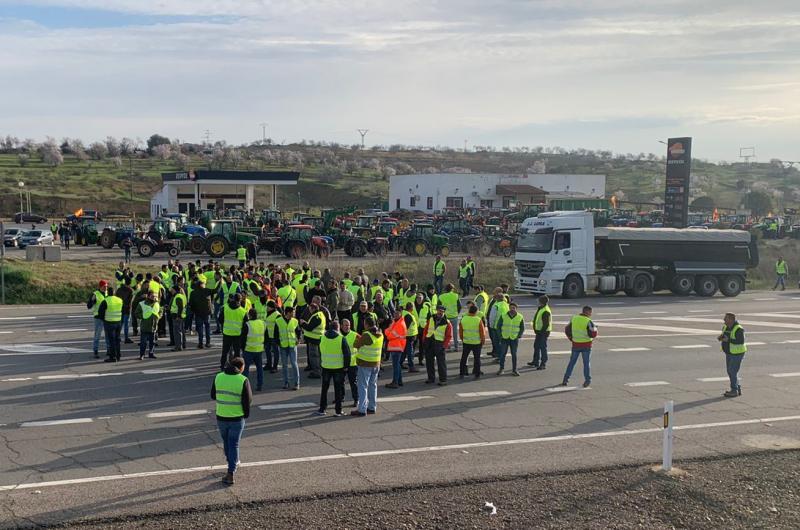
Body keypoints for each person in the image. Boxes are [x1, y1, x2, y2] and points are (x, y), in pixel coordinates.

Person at [211, 357, 252, 486]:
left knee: (227, 442)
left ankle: (231, 462)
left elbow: (213, 395)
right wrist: (246, 414)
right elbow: (248, 400)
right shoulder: (243, 379)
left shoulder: (218, 377)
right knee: (234, 443)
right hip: (237, 417)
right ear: (241, 367)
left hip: (221, 416)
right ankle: (231, 471)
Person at [316, 321, 352, 417]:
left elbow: (320, 351)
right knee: (338, 389)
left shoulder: (322, 337)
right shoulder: (341, 338)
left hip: (326, 366)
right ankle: (338, 410)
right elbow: (347, 354)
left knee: (324, 389)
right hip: (338, 367)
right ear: (338, 328)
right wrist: (346, 366)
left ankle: (322, 409)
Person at [352, 317, 383, 416]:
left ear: (367, 324)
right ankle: (372, 407)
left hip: (365, 363)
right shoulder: (380, 334)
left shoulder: (366, 335)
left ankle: (362, 409)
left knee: (362, 386)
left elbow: (356, 345)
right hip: (376, 363)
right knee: (373, 386)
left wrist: (358, 338)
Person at [562, 306, 598, 388]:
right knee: (586, 363)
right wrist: (596, 329)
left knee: (572, 363)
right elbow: (593, 334)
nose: (591, 314)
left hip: (575, 344)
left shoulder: (574, 318)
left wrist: (571, 338)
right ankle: (587, 380)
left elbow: (567, 329)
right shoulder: (589, 321)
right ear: (588, 312)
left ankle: (565, 379)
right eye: (591, 312)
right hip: (586, 345)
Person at [718, 312, 746, 398]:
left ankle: (734, 390)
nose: (724, 320)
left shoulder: (738, 329)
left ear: (731, 320)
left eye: (725, 318)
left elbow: (740, 341)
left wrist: (728, 340)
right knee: (730, 371)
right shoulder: (725, 327)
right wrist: (721, 338)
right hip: (729, 353)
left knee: (732, 371)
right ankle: (737, 388)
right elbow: (725, 337)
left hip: (737, 353)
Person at [422, 305, 452, 386]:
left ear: (444, 312)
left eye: (441, 311)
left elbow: (448, 336)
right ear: (436, 310)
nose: (439, 312)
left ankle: (443, 380)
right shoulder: (431, 318)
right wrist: (424, 340)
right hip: (429, 341)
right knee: (429, 362)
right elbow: (426, 329)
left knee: (441, 363)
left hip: (439, 343)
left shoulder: (447, 322)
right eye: (438, 310)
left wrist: (444, 346)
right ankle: (431, 378)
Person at [219, 293, 248, 371]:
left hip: (227, 333)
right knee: (237, 353)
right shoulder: (243, 311)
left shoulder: (225, 308)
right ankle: (237, 368)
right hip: (237, 335)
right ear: (240, 300)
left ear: (233, 299)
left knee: (225, 352)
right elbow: (246, 325)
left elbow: (220, 320)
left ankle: (222, 366)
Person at [276, 306, 301, 390]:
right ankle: (286, 382)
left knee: (294, 364)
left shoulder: (295, 321)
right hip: (283, 346)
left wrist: (298, 339)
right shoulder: (278, 321)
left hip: (292, 345)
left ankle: (297, 383)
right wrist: (278, 343)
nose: (293, 314)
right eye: (292, 313)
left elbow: (298, 331)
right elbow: (276, 334)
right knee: (284, 365)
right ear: (287, 313)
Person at [241, 308, 265, 392]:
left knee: (246, 369)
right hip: (259, 349)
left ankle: (245, 387)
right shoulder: (262, 323)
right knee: (259, 368)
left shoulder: (247, 324)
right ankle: (260, 385)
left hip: (249, 349)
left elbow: (243, 338)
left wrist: (243, 348)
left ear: (249, 315)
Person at [300, 302, 326, 379]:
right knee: (318, 356)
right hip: (317, 338)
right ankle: (319, 370)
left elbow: (309, 327)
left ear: (313, 308)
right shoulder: (319, 315)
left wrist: (303, 323)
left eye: (310, 309)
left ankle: (317, 372)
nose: (309, 311)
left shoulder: (316, 316)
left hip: (314, 339)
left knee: (314, 357)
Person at [497, 302, 524, 376]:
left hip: (514, 339)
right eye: (511, 308)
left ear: (516, 309)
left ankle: (514, 370)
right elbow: (498, 326)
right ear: (509, 308)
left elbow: (522, 328)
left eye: (514, 308)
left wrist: (519, 335)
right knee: (502, 354)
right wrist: (500, 336)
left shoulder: (520, 317)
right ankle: (501, 369)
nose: (512, 309)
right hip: (504, 338)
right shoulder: (503, 316)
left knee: (514, 354)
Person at [97, 287, 124, 362]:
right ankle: (118, 355)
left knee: (111, 340)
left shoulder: (106, 301)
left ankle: (112, 357)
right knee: (117, 339)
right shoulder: (119, 300)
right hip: (118, 322)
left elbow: (100, 312)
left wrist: (103, 319)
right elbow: (123, 309)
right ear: (114, 292)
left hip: (109, 322)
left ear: (108, 293)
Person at [459, 304, 486, 378]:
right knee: (477, 359)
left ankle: (462, 373)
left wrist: (463, 339)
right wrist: (483, 341)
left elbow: (460, 332)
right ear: (476, 312)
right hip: (476, 343)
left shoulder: (463, 319)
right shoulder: (478, 320)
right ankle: (477, 374)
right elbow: (482, 332)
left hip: (466, 342)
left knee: (464, 358)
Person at [384, 310, 407, 389]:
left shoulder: (400, 324)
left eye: (397, 313)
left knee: (396, 365)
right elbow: (388, 331)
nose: (395, 314)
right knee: (397, 365)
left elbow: (389, 335)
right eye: (395, 313)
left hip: (397, 347)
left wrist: (388, 332)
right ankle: (399, 381)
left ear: (401, 314)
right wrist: (388, 332)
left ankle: (395, 382)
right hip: (395, 346)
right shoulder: (395, 322)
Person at [528, 295, 552, 370]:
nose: (538, 302)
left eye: (539, 301)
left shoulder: (545, 311)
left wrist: (541, 332)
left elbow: (546, 324)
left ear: (541, 302)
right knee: (536, 346)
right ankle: (535, 361)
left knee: (542, 347)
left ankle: (543, 363)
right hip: (539, 332)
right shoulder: (541, 308)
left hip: (543, 332)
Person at [189, 278, 213, 349]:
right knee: (207, 327)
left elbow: (191, 303)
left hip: (198, 313)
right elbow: (215, 290)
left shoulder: (193, 293)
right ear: (202, 285)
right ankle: (208, 343)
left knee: (200, 329)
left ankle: (200, 343)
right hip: (207, 312)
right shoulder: (206, 291)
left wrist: (193, 311)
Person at [341, 318, 359, 408]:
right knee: (341, 382)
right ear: (341, 326)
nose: (347, 327)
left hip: (352, 363)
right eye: (345, 325)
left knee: (353, 383)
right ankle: (341, 397)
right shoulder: (338, 335)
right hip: (341, 363)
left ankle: (356, 399)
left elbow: (362, 345)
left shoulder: (355, 335)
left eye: (348, 325)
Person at [136, 292, 160, 359]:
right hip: (145, 326)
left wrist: (159, 316)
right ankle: (142, 354)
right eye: (152, 296)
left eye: (155, 296)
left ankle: (151, 353)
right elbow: (137, 313)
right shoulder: (142, 303)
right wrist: (143, 316)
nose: (154, 298)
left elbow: (160, 310)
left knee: (152, 342)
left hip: (154, 326)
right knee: (143, 342)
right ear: (148, 296)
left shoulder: (156, 303)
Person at [88, 281, 108, 359]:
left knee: (108, 336)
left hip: (107, 317)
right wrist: (92, 300)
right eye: (104, 286)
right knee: (97, 336)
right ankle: (95, 351)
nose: (106, 287)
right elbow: (89, 306)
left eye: (106, 286)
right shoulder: (95, 294)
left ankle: (109, 350)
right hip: (98, 318)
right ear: (100, 287)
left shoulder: (107, 293)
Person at [439, 284, 461, 352]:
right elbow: (459, 306)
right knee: (454, 332)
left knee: (445, 332)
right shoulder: (455, 296)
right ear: (452, 289)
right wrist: (457, 313)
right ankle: (456, 347)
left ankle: (446, 346)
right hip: (454, 316)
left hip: (445, 317)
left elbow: (439, 306)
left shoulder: (441, 296)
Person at [116, 277, 135, 344]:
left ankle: (117, 336)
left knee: (120, 323)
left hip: (120, 308)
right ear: (130, 282)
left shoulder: (119, 289)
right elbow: (130, 301)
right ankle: (126, 338)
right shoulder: (130, 290)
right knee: (126, 324)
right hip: (127, 309)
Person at [402, 302, 419, 373]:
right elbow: (406, 327)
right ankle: (411, 366)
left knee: (405, 351)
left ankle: (400, 363)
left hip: (408, 336)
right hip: (409, 336)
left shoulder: (405, 313)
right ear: (412, 308)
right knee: (410, 352)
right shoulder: (408, 316)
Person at [169, 285, 187, 351]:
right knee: (181, 331)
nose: (171, 291)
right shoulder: (182, 296)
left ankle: (178, 346)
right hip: (181, 316)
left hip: (177, 316)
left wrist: (178, 316)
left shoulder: (178, 297)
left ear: (175, 290)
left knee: (177, 332)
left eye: (172, 290)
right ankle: (183, 344)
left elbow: (180, 307)